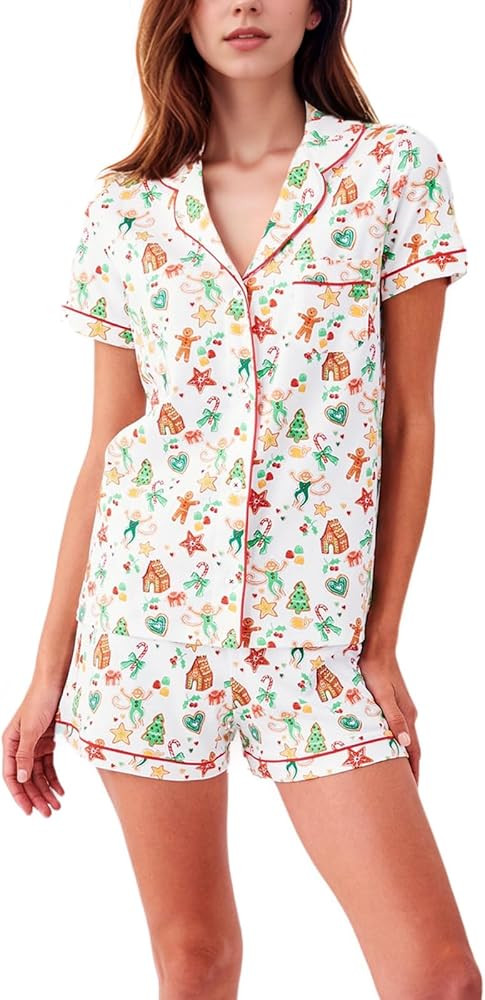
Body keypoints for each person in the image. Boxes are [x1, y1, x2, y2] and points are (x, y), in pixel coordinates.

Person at [3, 1, 481, 997]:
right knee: (194, 961)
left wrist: (380, 640)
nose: (245, 5)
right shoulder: (126, 208)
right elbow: (109, 443)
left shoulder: (388, 171)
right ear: (181, 15)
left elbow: (409, 419)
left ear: (316, 9)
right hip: (146, 625)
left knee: (436, 975)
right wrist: (48, 671)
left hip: (318, 640)